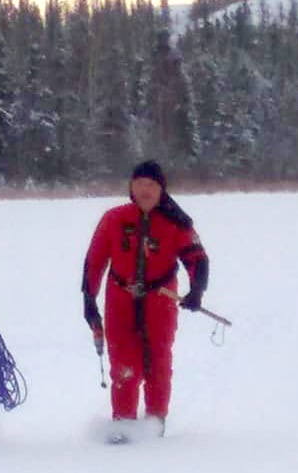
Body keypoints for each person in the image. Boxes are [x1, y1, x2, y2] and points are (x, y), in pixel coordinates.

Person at [81, 160, 209, 440]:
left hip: (160, 299)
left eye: (151, 185)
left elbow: (198, 259)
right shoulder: (114, 219)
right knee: (123, 364)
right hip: (120, 298)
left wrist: (196, 291)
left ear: (161, 189)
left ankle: (154, 424)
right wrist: (89, 300)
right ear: (131, 187)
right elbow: (94, 261)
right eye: (139, 184)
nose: (144, 190)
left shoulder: (177, 223)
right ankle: (123, 425)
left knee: (157, 362)